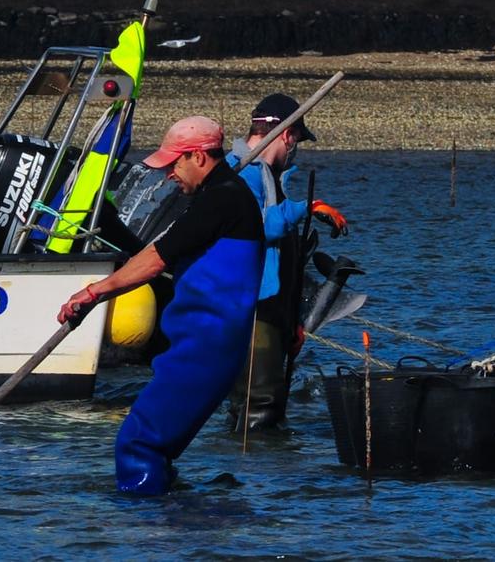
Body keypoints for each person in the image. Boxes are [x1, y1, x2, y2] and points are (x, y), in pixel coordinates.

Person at [58, 115, 263, 495]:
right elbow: (155, 253)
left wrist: (94, 293)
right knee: (155, 448)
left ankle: (146, 534)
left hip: (207, 347)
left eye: (175, 163)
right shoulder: (216, 197)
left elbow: (156, 259)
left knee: (138, 445)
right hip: (201, 346)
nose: (169, 173)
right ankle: (183, 524)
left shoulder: (224, 200)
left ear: (199, 157)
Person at [224, 92, 350, 431]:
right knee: (260, 403)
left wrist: (291, 319)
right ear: (287, 135)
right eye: (297, 139)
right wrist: (308, 207)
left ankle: (245, 467)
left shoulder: (267, 177)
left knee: (250, 401)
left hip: (271, 308)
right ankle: (264, 479)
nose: (296, 148)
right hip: (253, 307)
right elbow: (259, 226)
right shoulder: (242, 173)